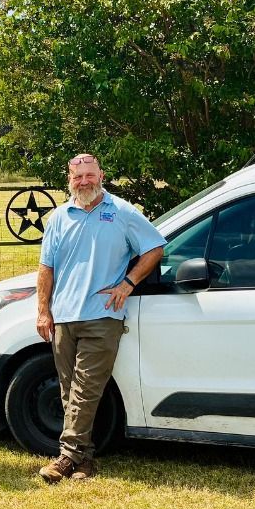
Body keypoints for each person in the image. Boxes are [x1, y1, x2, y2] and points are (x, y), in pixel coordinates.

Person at [36, 153, 165, 482]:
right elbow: (45, 268)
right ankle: (85, 461)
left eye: (89, 175)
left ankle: (65, 459)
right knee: (69, 392)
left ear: (101, 175)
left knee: (86, 389)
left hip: (102, 316)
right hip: (64, 316)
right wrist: (43, 310)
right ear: (69, 178)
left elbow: (154, 248)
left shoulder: (121, 212)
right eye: (78, 176)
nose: (84, 182)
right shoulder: (59, 218)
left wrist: (128, 282)